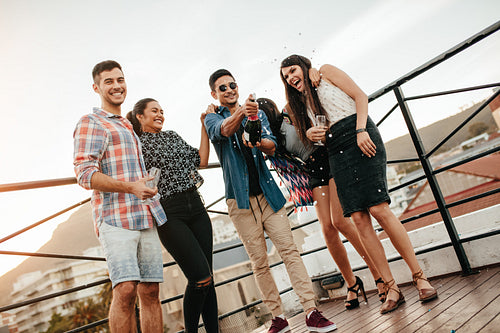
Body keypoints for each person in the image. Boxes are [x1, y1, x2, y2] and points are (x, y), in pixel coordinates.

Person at [280, 54, 438, 314]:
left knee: (379, 209)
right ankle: (391, 287)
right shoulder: (297, 103)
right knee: (359, 218)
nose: (291, 78)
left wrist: (361, 130)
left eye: (293, 71)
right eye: (286, 76)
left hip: (360, 134)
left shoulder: (326, 71)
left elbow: (361, 97)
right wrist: (309, 132)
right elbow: (311, 137)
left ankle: (420, 277)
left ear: (305, 67)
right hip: (334, 150)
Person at [204, 69, 337, 333]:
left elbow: (271, 144)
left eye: (232, 84)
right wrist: (242, 113)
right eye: (223, 88)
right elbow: (221, 131)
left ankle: (311, 311)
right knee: (259, 262)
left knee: (290, 252)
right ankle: (278, 317)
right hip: (240, 202)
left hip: (269, 196)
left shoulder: (258, 114)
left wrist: (258, 142)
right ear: (214, 94)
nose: (229, 89)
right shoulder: (211, 117)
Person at [258, 97, 386, 309]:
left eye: (263, 112)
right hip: (313, 170)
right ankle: (352, 283)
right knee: (327, 229)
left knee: (340, 222)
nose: (263, 115)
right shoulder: (269, 139)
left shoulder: (289, 111)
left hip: (328, 159)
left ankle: (379, 276)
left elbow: (309, 103)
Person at [73, 60, 165, 332]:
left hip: (145, 214)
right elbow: (84, 174)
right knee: (125, 290)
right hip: (115, 218)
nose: (117, 86)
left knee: (150, 292)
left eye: (120, 80)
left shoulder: (126, 124)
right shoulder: (91, 122)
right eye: (109, 81)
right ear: (96, 87)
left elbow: (130, 170)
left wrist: (146, 184)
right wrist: (131, 187)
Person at [126, 98, 219, 333]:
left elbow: (202, 161)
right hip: (169, 212)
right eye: (154, 111)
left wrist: (203, 125)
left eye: (162, 111)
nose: (160, 114)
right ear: (140, 116)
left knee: (209, 278)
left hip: (196, 207)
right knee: (200, 278)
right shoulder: (135, 144)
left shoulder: (172, 136)